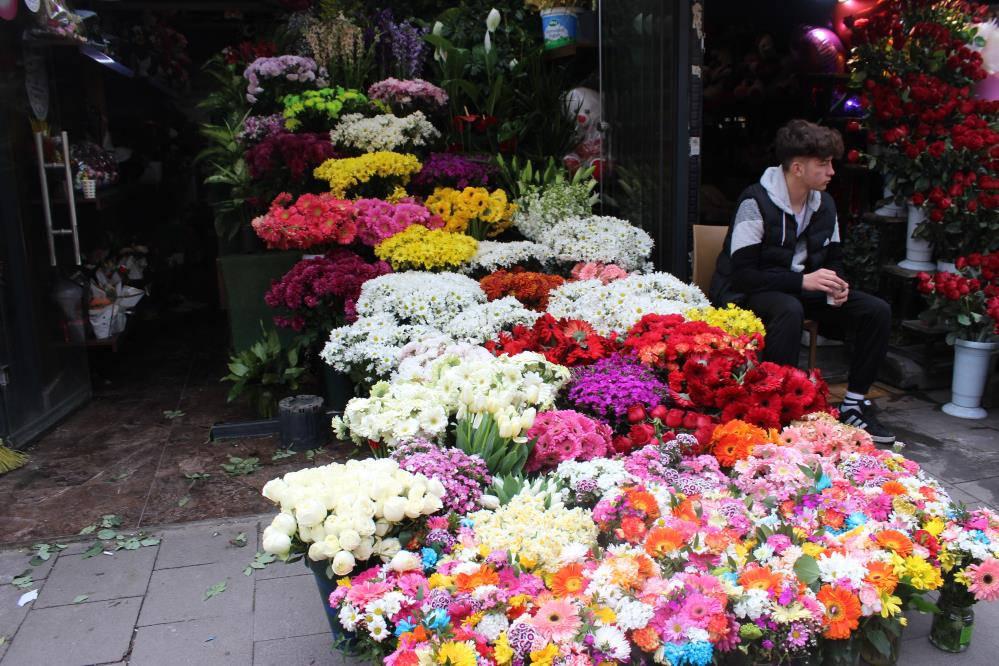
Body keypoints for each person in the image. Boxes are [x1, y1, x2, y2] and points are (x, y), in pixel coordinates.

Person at [710, 119, 895, 444]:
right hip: (746, 292)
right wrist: (804, 282)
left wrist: (837, 286)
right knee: (789, 308)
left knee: (875, 310)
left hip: (800, 287)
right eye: (823, 164)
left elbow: (834, 257)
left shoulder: (824, 204)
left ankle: (853, 403)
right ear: (797, 167)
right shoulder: (755, 201)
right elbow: (744, 274)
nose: (832, 172)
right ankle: (776, 407)